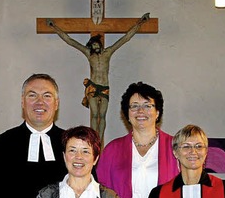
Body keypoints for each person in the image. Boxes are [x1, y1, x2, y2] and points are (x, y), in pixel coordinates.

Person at [46, 14, 150, 142]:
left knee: (102, 115)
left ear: (99, 44)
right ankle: (94, 139)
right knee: (94, 115)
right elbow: (70, 40)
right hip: (93, 87)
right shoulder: (89, 54)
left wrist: (140, 22)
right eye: (93, 46)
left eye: (96, 45)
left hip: (105, 87)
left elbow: (125, 38)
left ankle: (99, 141)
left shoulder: (108, 52)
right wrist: (54, 27)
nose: (95, 47)